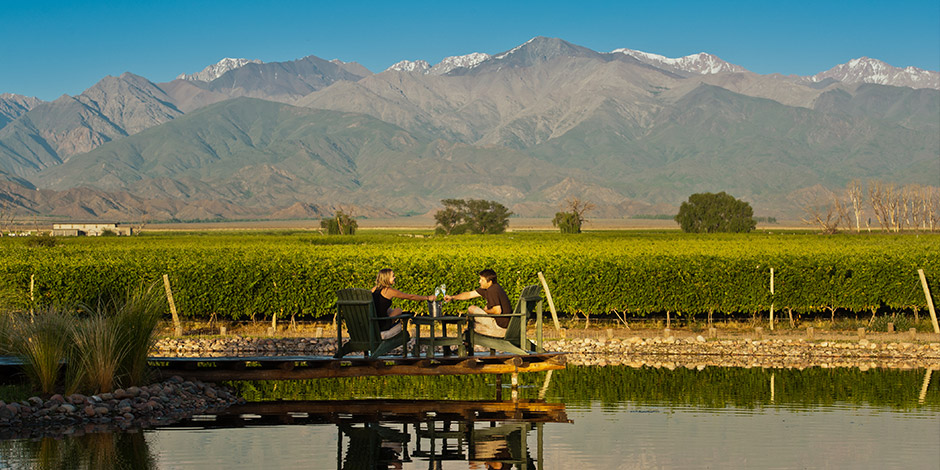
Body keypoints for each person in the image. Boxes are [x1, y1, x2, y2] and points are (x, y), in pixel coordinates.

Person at [444, 268, 512, 337]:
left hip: (500, 327)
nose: (479, 281)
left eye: (482, 280)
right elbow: (469, 294)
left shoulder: (492, 290)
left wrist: (485, 310)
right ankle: (465, 338)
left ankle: (461, 321)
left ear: (489, 282)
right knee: (471, 327)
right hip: (503, 325)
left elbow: (497, 311)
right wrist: (452, 297)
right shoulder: (491, 288)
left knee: (471, 309)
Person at [372, 268, 435, 339]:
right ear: (386, 278)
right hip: (382, 325)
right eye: (392, 276)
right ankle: (388, 329)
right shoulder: (388, 291)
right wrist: (427, 297)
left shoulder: (374, 289)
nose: (394, 277)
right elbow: (410, 297)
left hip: (374, 323)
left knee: (389, 310)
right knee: (398, 310)